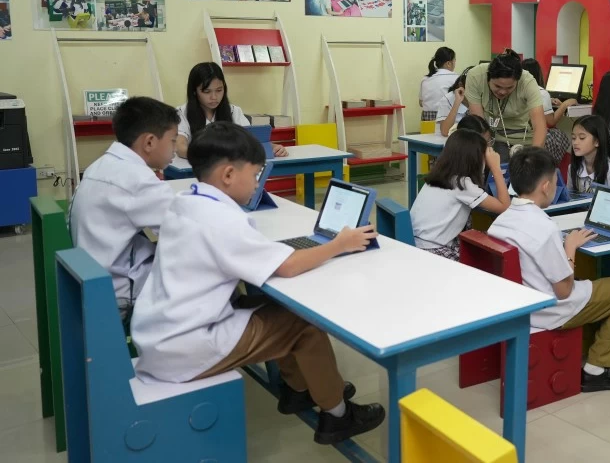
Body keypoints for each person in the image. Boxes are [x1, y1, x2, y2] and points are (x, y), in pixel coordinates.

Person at [130, 124, 385, 445]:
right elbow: (288, 267)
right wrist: (340, 244)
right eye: (254, 174)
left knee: (277, 307)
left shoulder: (185, 201)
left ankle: (299, 390)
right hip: (186, 346)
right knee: (306, 325)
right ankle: (337, 415)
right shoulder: (222, 220)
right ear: (227, 175)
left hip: (161, 331)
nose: (258, 183)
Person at [488, 147, 610, 392]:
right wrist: (569, 247)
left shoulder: (500, 221)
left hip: (517, 303)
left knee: (589, 280)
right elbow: (564, 291)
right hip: (549, 310)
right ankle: (597, 368)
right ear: (546, 186)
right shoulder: (544, 227)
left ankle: (588, 348)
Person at [70, 97, 179, 318]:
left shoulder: (100, 166)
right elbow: (185, 226)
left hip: (93, 276)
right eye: (173, 141)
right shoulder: (137, 180)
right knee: (205, 270)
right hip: (119, 292)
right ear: (149, 142)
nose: (175, 149)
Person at [410, 130, 509, 260]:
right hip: (433, 251)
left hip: (415, 244)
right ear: (475, 160)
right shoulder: (462, 184)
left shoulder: (439, 177)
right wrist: (496, 168)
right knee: (491, 251)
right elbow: (504, 206)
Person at [177, 62, 287, 159]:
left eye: (219, 90)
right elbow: (180, 146)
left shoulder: (234, 111)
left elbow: (251, 140)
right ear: (194, 91)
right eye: (207, 92)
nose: (214, 97)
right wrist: (208, 155)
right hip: (195, 171)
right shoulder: (182, 112)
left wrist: (274, 147)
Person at [465, 50, 548, 160]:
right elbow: (479, 124)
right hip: (495, 137)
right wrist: (486, 155)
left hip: (525, 136)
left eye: (509, 88)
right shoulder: (476, 76)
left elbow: (540, 126)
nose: (503, 92)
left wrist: (533, 159)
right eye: (497, 86)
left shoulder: (527, 81)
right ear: (488, 78)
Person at [520, 58, 573, 163]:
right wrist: (565, 105)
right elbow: (551, 122)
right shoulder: (541, 93)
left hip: (523, 133)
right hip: (535, 135)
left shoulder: (520, 89)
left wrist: (549, 100)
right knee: (560, 134)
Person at [569, 115, 610, 194]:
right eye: (573, 138)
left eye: (582, 138)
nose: (575, 143)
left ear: (597, 141)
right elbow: (570, 197)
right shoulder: (573, 167)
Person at [420, 47, 458, 120]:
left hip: (426, 120)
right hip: (445, 118)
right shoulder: (456, 78)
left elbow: (421, 103)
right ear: (448, 63)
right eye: (454, 61)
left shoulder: (425, 79)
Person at [436, 72, 470, 137]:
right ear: (461, 86)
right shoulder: (447, 99)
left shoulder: (481, 98)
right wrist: (457, 102)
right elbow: (445, 131)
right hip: (450, 140)